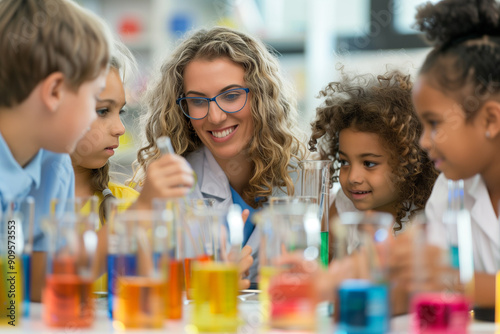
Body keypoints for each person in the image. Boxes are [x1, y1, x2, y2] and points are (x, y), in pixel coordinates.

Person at [133, 26, 307, 283]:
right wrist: (210, 285)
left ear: (261, 97)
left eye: (232, 95)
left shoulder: (304, 179)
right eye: (199, 101)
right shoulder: (170, 187)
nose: (215, 117)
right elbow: (144, 286)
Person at [0, 0, 112, 302]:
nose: (93, 117)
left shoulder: (55, 166)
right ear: (54, 92)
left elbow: (41, 290)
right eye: (94, 100)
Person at [409, 0, 500, 307]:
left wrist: (458, 286)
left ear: (490, 120)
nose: (423, 141)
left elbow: (442, 282)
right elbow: (428, 282)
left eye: (434, 123)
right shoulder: (450, 188)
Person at [309, 70, 438, 234]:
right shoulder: (344, 205)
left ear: (409, 163)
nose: (353, 178)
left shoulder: (429, 218)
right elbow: (323, 257)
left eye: (369, 163)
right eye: (344, 162)